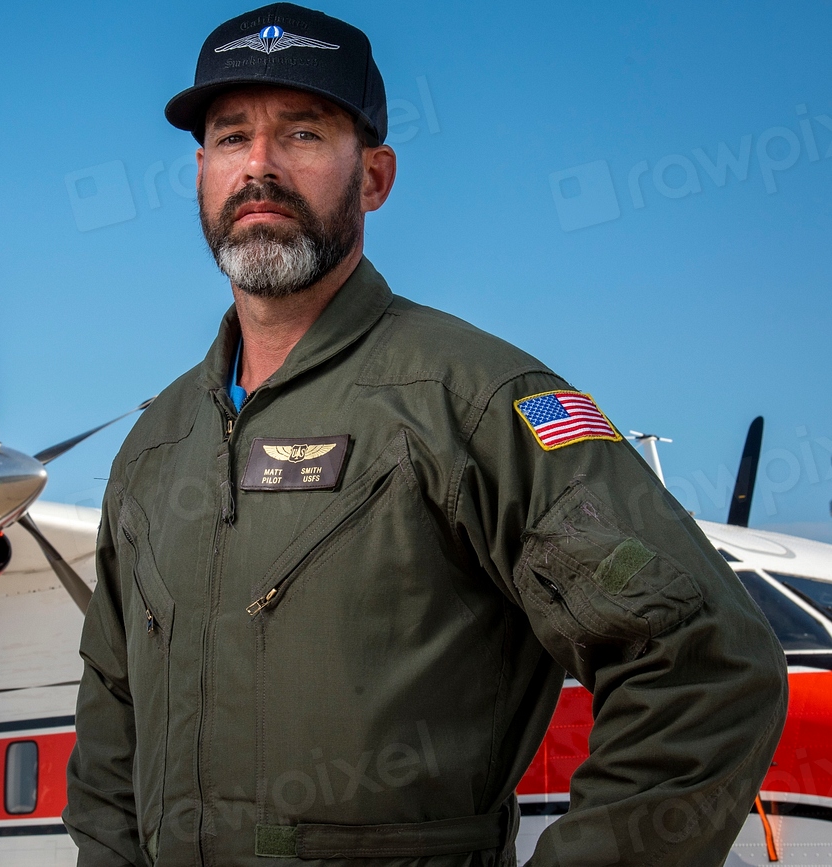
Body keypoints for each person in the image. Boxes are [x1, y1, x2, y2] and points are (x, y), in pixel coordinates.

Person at [63, 5, 788, 866]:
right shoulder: (153, 449)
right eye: (230, 137)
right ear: (200, 172)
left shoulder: (477, 402)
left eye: (302, 133)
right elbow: (112, 733)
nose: (258, 167)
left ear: (374, 176)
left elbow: (706, 662)